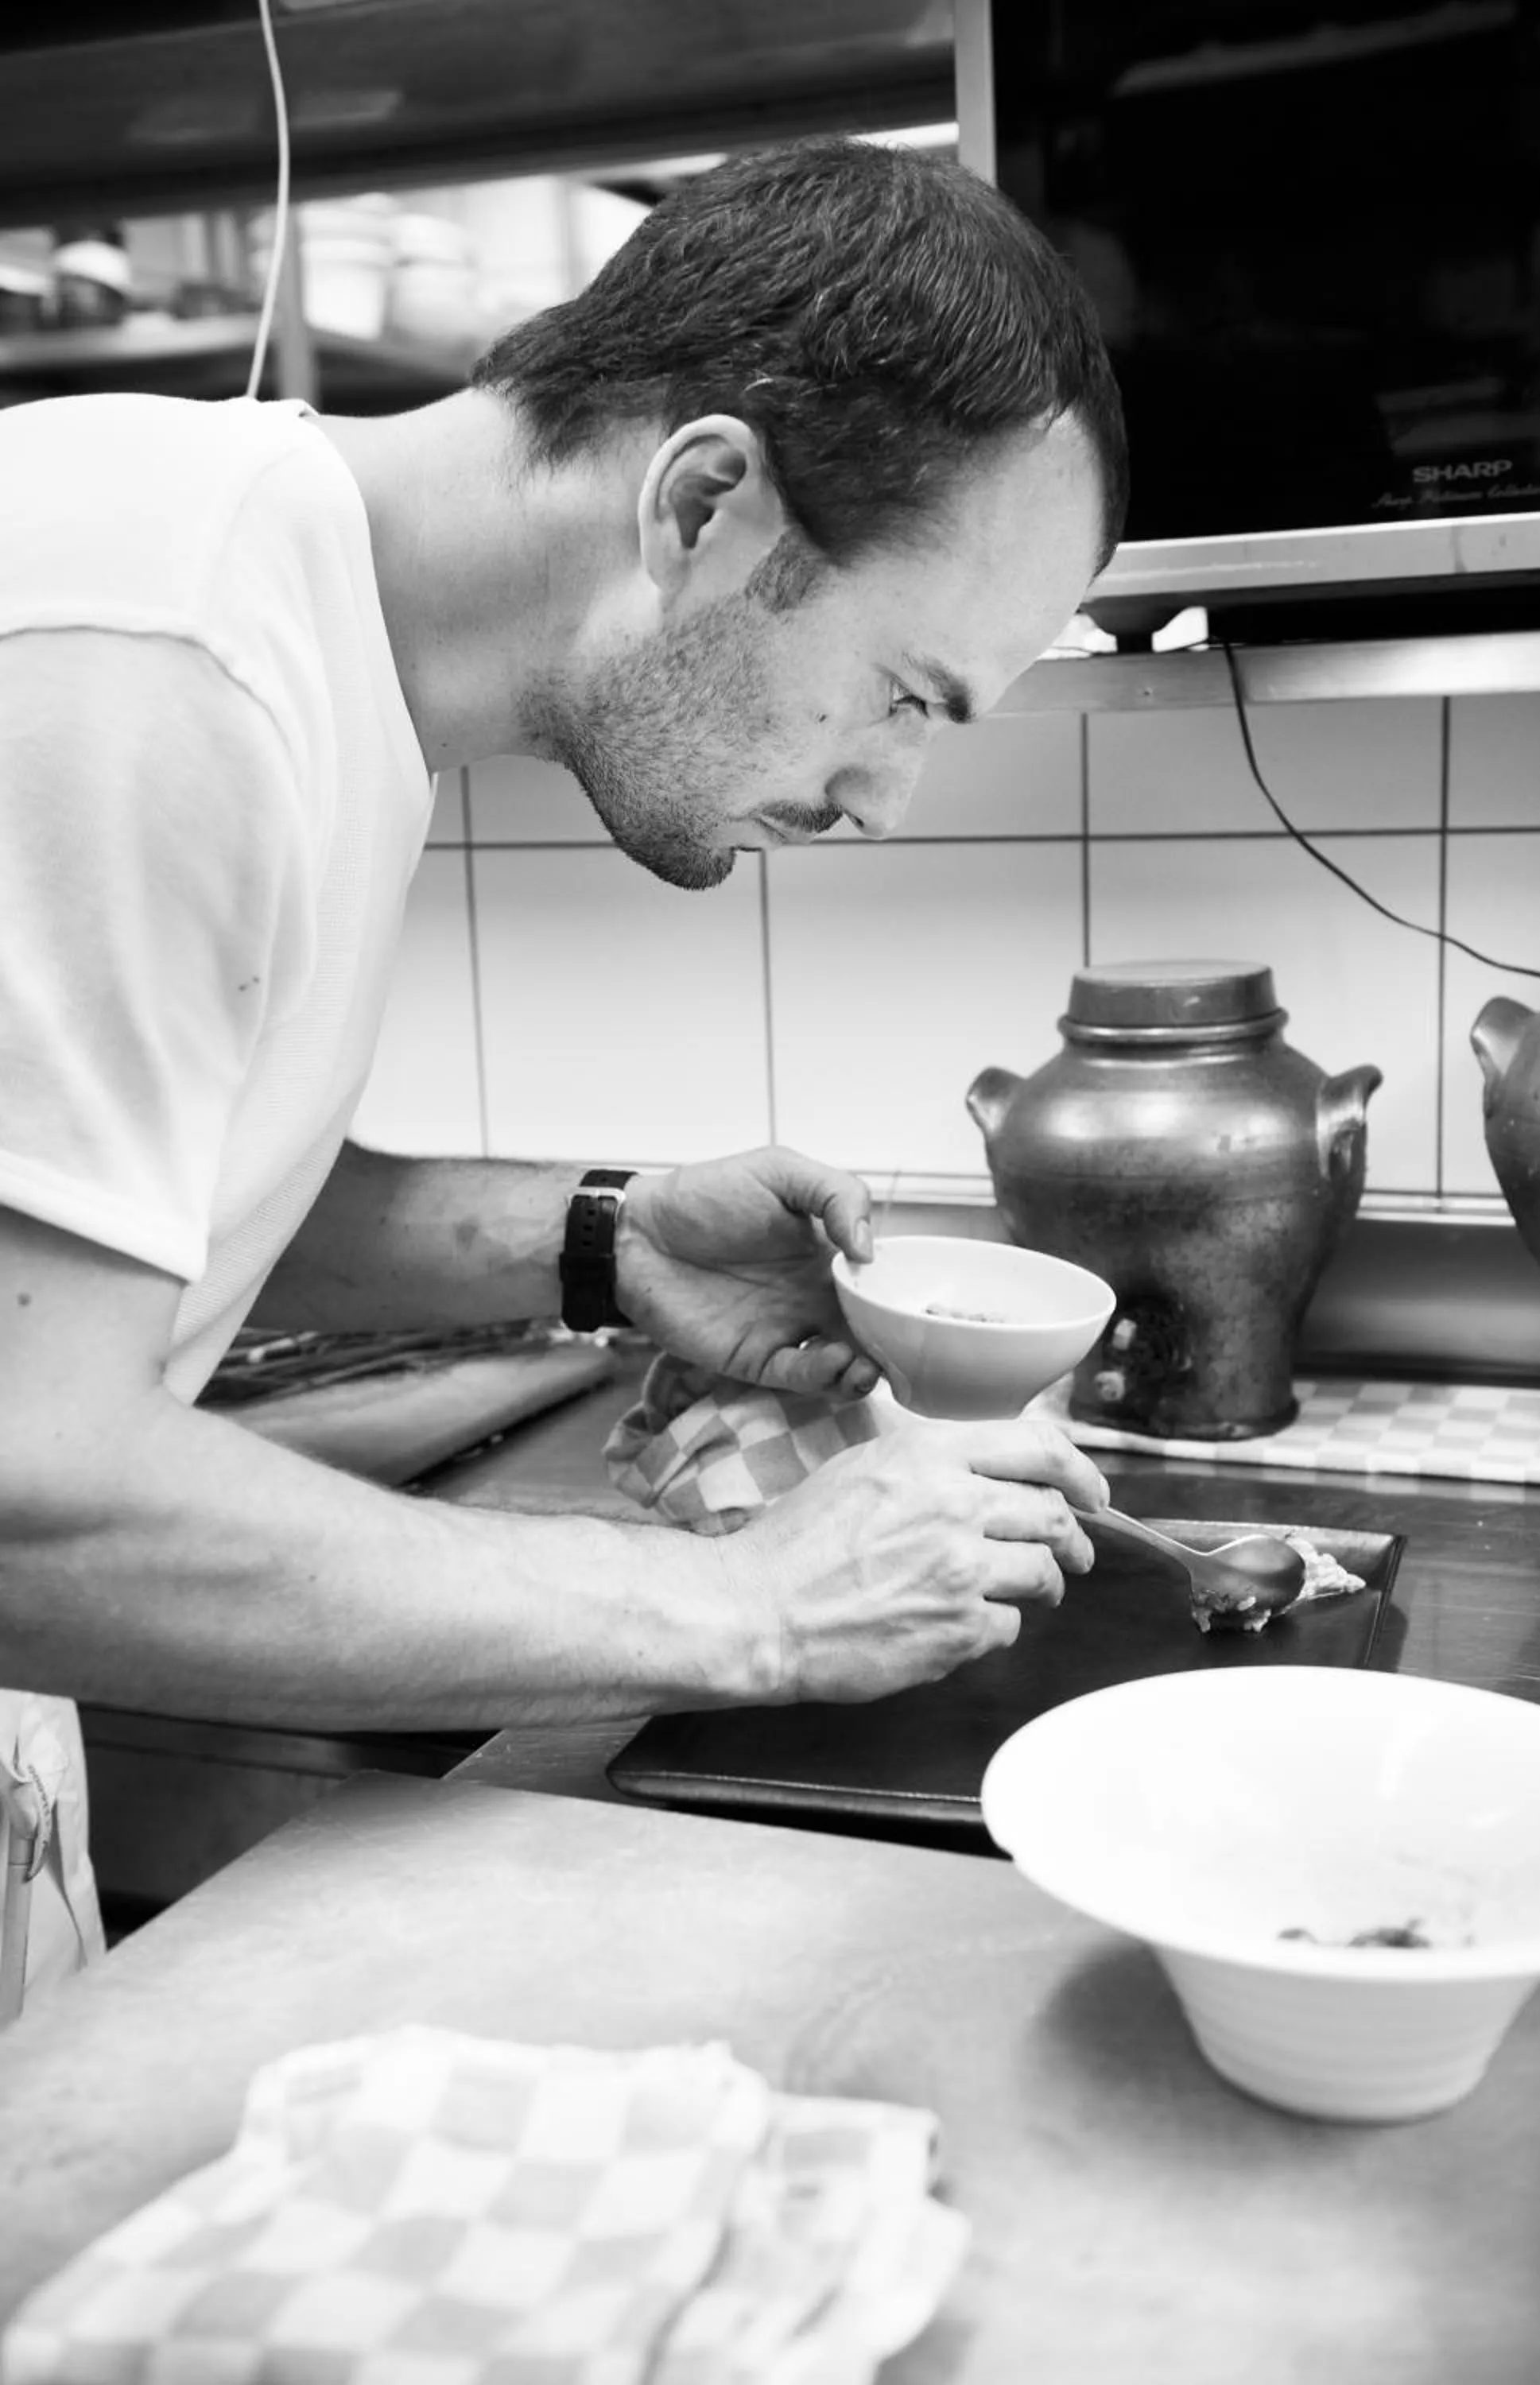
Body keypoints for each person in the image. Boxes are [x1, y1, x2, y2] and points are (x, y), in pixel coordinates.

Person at [0, 136, 1128, 2002]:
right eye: (903, 693)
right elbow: (26, 1484)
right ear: (704, 502)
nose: (882, 796)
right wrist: (751, 1608)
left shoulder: (293, 633)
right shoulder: (151, 658)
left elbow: (113, 1220)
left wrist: (600, 1241)